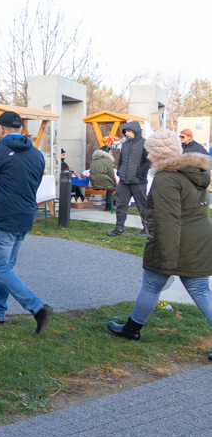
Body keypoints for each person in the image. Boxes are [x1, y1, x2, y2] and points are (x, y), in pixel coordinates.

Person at [106, 129, 212, 361]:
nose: (147, 155)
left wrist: (165, 256)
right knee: (201, 290)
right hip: (199, 238)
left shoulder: (167, 178)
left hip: (177, 240)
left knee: (152, 284)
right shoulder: (195, 172)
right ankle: (131, 328)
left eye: (150, 151)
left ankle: (131, 330)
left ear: (157, 153)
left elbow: (167, 220)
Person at [0, 110, 53, 333]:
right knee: (6, 267)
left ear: (3, 129)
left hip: (3, 218)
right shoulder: (36, 154)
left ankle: (37, 307)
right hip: (25, 216)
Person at [107, 120, 151, 237]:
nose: (127, 133)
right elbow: (121, 160)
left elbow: (149, 161)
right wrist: (120, 171)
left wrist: (139, 173)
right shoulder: (125, 144)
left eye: (129, 131)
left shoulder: (145, 143)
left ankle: (147, 229)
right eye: (126, 131)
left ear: (136, 131)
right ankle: (119, 228)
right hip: (124, 181)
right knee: (121, 205)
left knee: (142, 206)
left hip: (138, 181)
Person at [89, 146, 116, 210]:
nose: (111, 153)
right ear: (108, 152)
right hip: (103, 180)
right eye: (110, 152)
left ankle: (109, 204)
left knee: (110, 184)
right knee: (113, 185)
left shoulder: (94, 160)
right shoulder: (108, 161)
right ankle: (109, 205)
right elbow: (111, 174)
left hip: (93, 181)